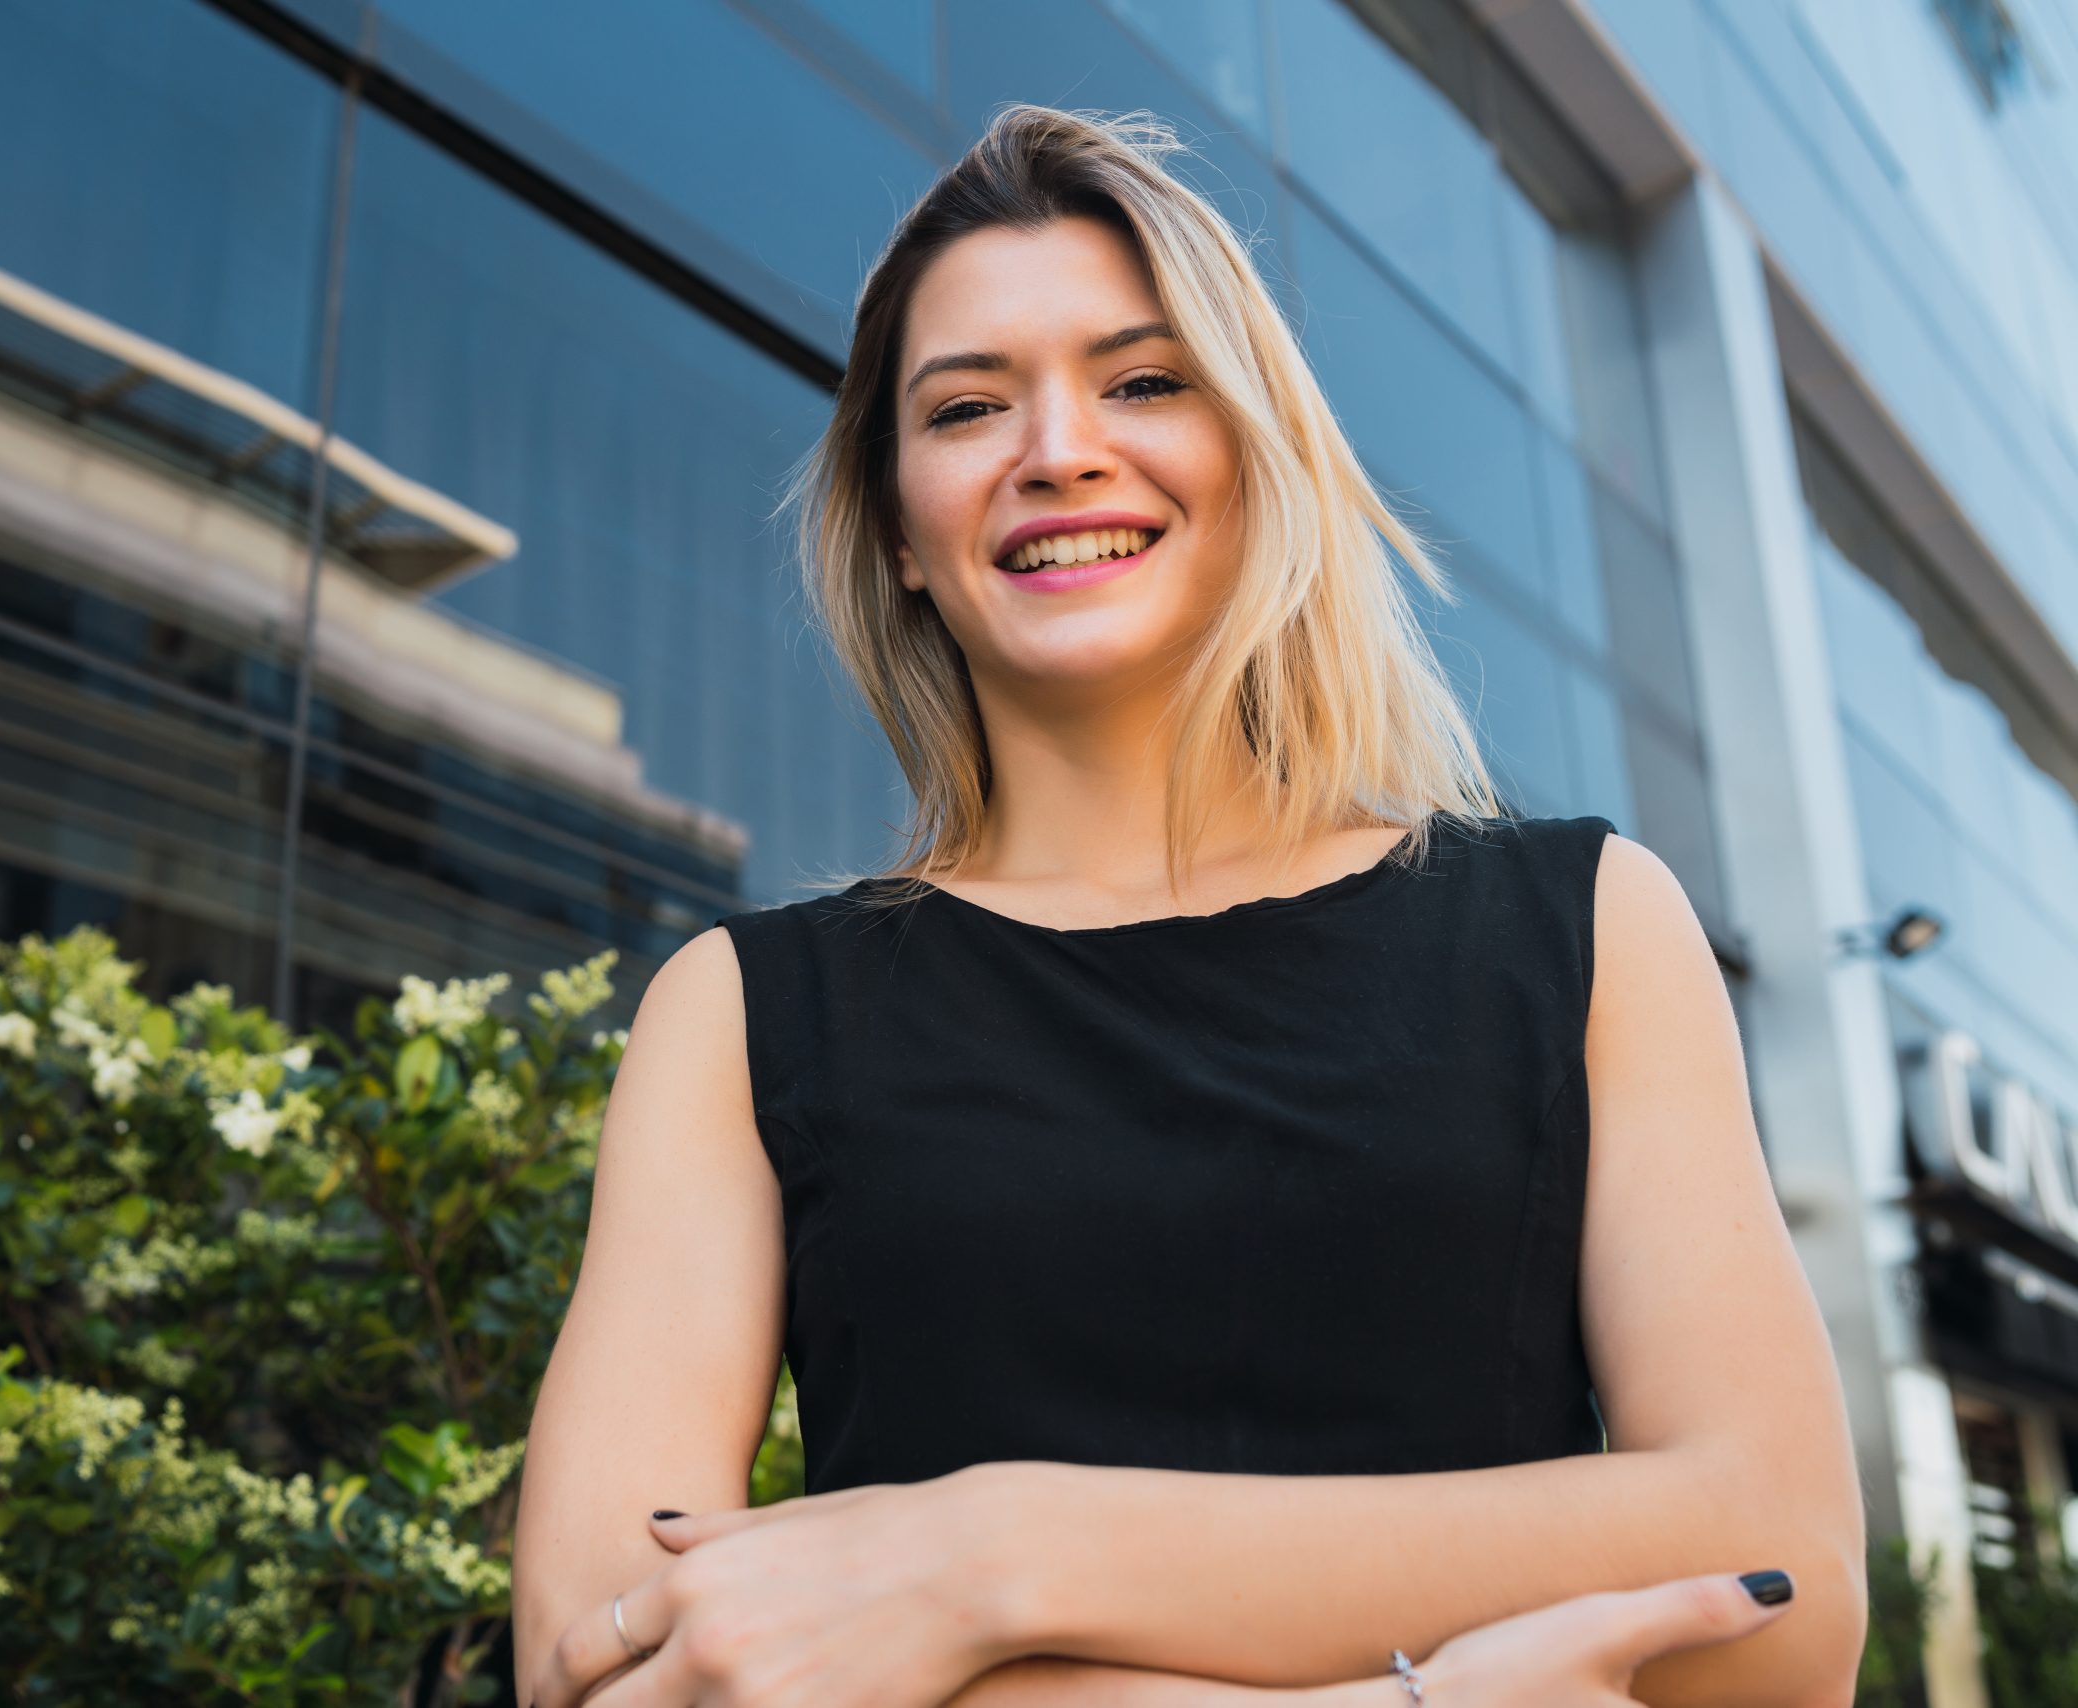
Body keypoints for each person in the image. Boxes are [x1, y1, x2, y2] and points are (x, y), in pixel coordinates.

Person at [510, 103, 1866, 1707]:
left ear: (1253, 452)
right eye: (965, 410)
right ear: (900, 533)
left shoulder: (1581, 929)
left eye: (1146, 382)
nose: (1057, 450)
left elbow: (1777, 1592)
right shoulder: (743, 1013)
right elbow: (609, 1672)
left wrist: (994, 1556)